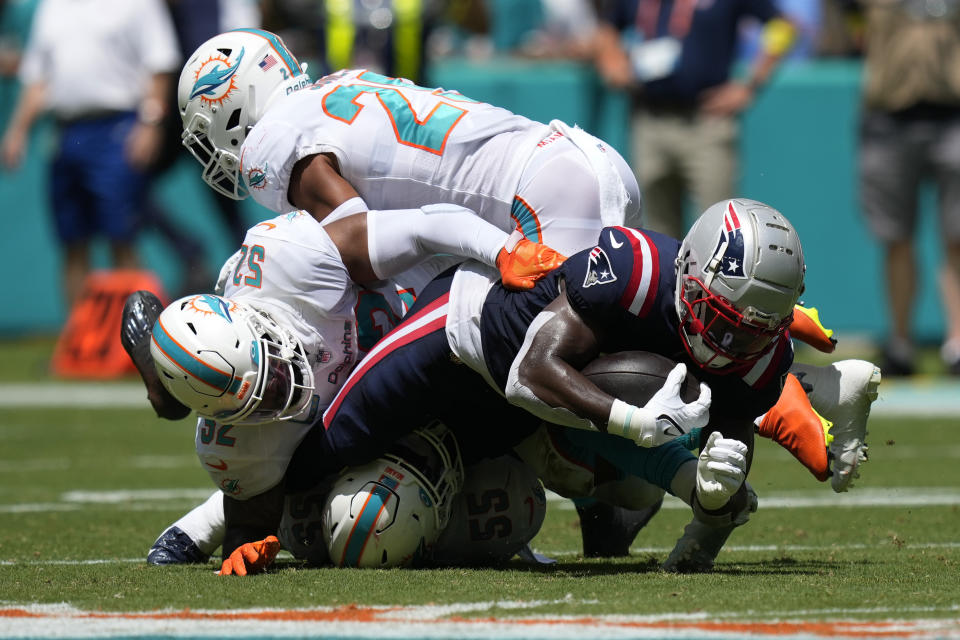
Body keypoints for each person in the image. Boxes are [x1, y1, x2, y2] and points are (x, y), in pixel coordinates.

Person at [205, 198, 808, 575]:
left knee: (389, 523)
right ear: (688, 276)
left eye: (749, 334)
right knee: (318, 458)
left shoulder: (761, 356)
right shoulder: (634, 272)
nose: (726, 348)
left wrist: (711, 508)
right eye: (719, 320)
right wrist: (632, 422)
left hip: (543, 411)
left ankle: (612, 507)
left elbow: (726, 479)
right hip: (463, 340)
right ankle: (207, 525)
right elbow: (534, 370)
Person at [176, 28, 641, 258]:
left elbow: (354, 242)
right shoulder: (342, 83)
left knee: (530, 373)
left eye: (207, 127)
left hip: (540, 196)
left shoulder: (274, 138)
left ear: (234, 101)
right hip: (573, 155)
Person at [0, 0, 180, 308]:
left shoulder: (138, 4)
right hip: (67, 131)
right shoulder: (52, 7)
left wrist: (151, 122)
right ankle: (81, 345)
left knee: (122, 237)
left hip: (118, 127)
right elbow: (37, 78)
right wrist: (17, 130)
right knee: (72, 242)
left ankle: (132, 342)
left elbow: (160, 64)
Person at [592, 0, 797, 238]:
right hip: (649, 122)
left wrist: (750, 85)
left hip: (707, 122)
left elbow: (784, 26)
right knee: (655, 235)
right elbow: (607, 27)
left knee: (721, 231)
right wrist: (611, 59)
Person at [857, 0, 960, 376]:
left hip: (953, 111)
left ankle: (957, 343)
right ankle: (900, 343)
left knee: (957, 235)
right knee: (896, 236)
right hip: (889, 115)